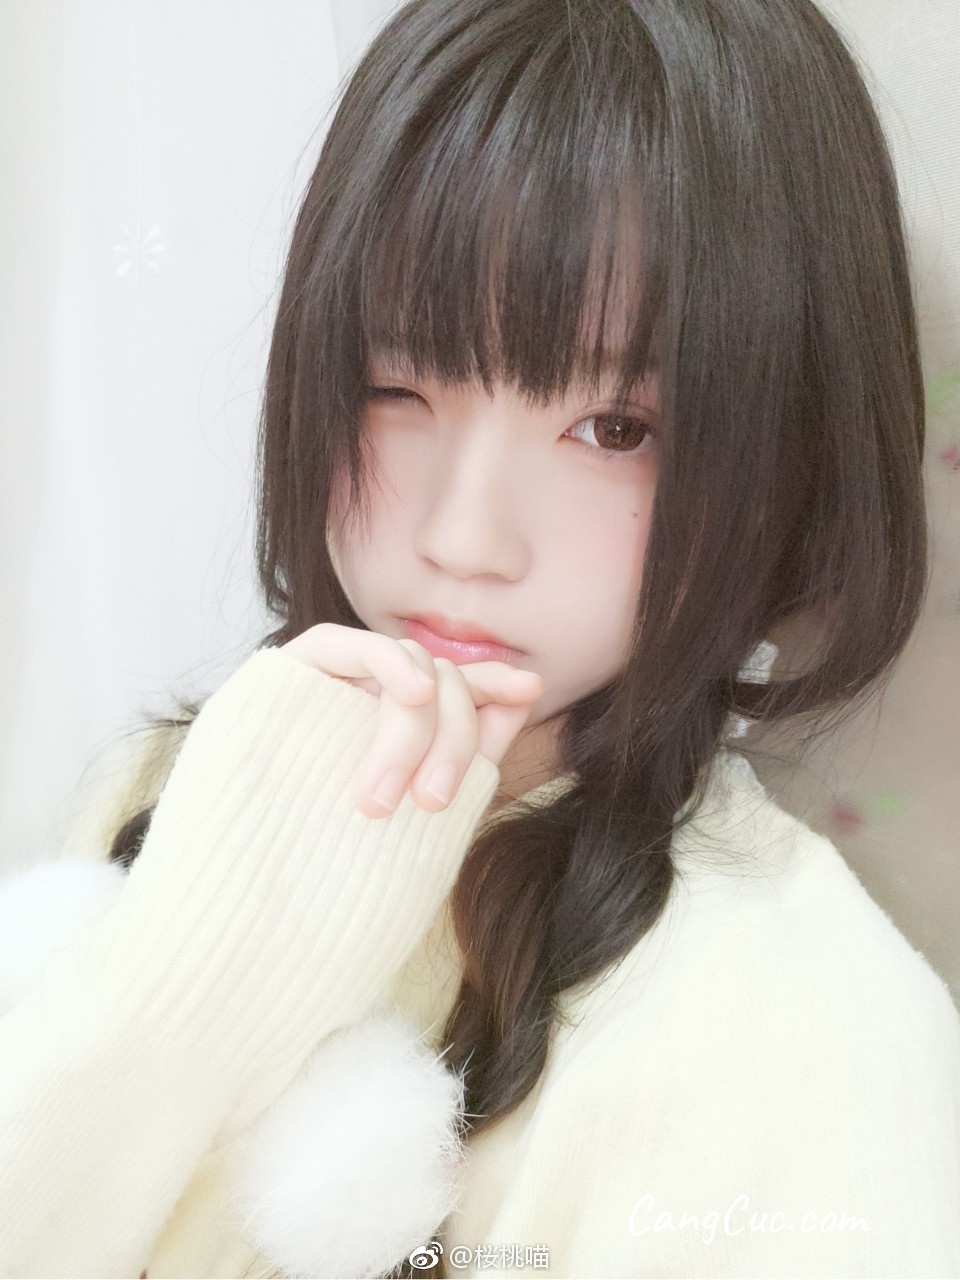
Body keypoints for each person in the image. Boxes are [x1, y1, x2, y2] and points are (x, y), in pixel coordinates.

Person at [1, 0, 958, 1276]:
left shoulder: (806, 1032)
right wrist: (175, 996)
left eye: (616, 429)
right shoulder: (176, 786)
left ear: (787, 453)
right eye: (396, 385)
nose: (463, 535)